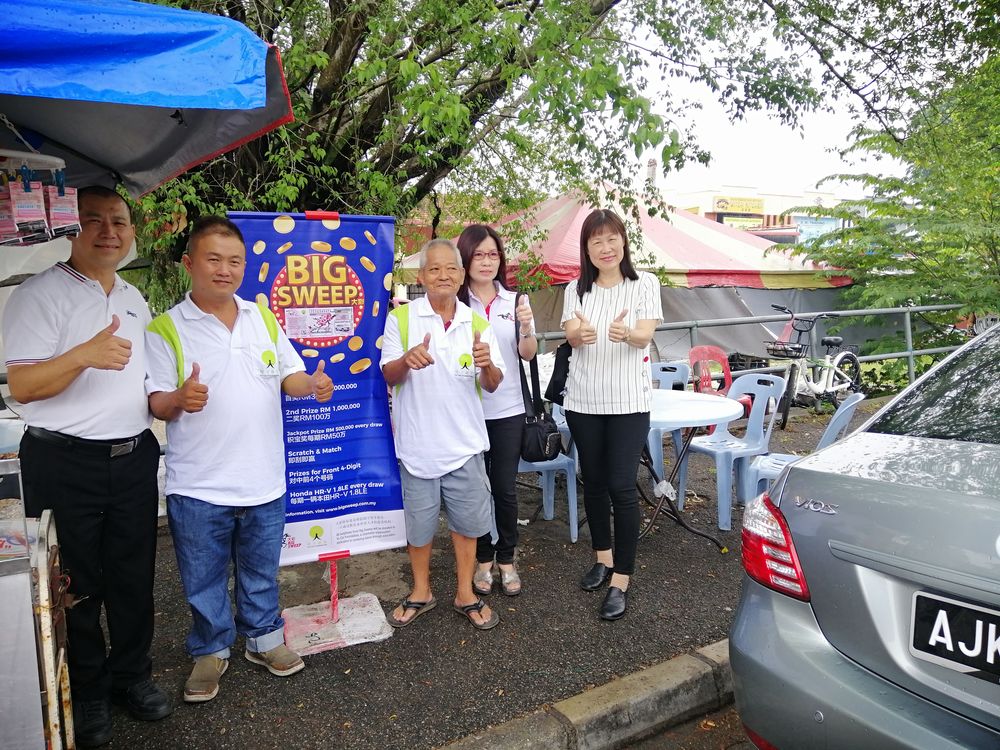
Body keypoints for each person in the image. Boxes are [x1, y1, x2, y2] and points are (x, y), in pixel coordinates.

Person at [3, 185, 170, 747]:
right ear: (69, 228)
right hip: (61, 458)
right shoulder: (39, 294)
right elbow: (23, 385)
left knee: (132, 575)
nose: (109, 231)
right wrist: (82, 356)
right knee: (73, 582)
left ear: (132, 232)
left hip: (131, 457)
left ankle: (132, 677)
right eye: (93, 220)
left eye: (119, 221)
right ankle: (90, 690)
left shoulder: (134, 296)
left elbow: (144, 383)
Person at [145, 216, 333, 703]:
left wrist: (310, 385)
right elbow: (155, 402)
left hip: (264, 478)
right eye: (213, 259)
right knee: (203, 578)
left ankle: (264, 639)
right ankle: (210, 650)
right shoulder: (165, 328)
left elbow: (288, 375)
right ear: (190, 264)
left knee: (259, 570)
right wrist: (179, 399)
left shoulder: (262, 318)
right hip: (199, 484)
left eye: (234, 261)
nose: (224, 270)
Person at [380, 238, 506, 630]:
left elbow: (493, 383)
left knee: (467, 526)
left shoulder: (478, 323)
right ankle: (421, 591)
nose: (443, 276)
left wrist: (487, 366)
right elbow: (388, 373)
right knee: (419, 528)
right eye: (434, 269)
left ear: (461, 273)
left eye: (451, 268)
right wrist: (406, 359)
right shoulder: (401, 319)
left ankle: (465, 593)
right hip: (417, 447)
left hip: (465, 445)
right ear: (421, 276)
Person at [561, 209, 663, 621]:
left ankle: (622, 577)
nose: (605, 248)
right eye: (595, 241)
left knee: (623, 487)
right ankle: (602, 557)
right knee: (596, 483)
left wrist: (628, 335)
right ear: (586, 249)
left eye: (611, 239)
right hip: (583, 402)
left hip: (628, 403)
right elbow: (570, 332)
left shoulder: (645, 284)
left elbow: (645, 334)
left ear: (623, 241)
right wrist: (577, 334)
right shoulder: (576, 289)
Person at [457, 225, 536, 596]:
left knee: (504, 488)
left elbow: (528, 354)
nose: (487, 262)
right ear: (466, 259)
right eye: (479, 255)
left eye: (493, 255)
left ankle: (506, 557)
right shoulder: (454, 304)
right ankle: (482, 559)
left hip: (508, 409)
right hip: (464, 410)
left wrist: (526, 329)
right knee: (476, 490)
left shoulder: (515, 301)